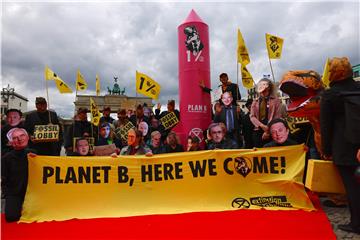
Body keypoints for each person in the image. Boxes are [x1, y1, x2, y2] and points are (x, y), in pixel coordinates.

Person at [320, 57, 360, 234]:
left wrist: (326, 150)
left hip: (343, 147)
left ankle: (357, 224)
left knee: (351, 186)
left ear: (332, 73)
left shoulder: (329, 95)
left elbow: (325, 126)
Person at [1, 128, 36, 222]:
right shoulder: (5, 158)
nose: (19, 139)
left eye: (22, 136)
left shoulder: (35, 154)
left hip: (33, 193)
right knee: (11, 217)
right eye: (15, 138)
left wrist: (37, 160)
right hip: (14, 193)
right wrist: (7, 194)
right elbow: (3, 179)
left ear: (28, 137)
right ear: (11, 142)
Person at [250, 78, 282, 148]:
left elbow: (277, 117)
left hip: (272, 131)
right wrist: (261, 125)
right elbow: (252, 116)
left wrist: (267, 131)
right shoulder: (255, 101)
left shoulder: (276, 101)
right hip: (258, 131)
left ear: (269, 88)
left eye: (265, 90)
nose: (263, 92)